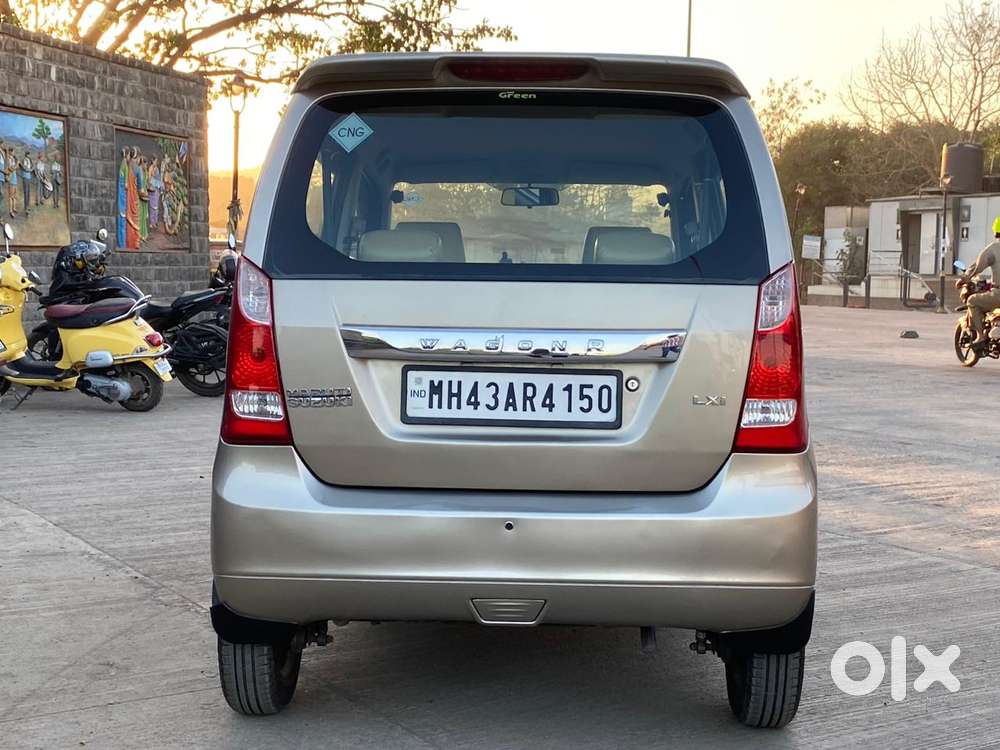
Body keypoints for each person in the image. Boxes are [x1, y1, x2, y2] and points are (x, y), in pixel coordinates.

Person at [960, 216, 1000, 345]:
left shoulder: (994, 248)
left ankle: (981, 336)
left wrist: (965, 278)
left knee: (972, 301)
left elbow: (978, 266)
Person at [19, 151, 33, 215]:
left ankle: (28, 206)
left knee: (28, 192)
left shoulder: (29, 160)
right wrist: (31, 169)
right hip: (25, 177)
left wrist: (31, 169)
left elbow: (30, 167)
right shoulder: (24, 160)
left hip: (29, 177)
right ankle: (25, 207)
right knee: (26, 192)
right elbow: (25, 168)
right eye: (28, 154)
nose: (29, 155)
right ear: (26, 154)